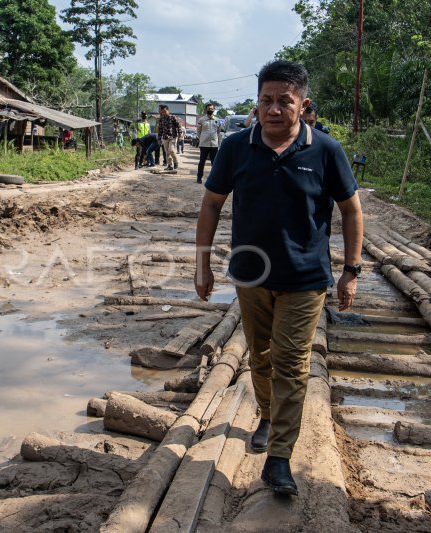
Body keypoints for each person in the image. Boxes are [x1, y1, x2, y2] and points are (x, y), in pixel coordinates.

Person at [193, 60, 363, 497]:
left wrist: (351, 271)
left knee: (291, 362)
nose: (272, 110)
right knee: (261, 357)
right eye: (265, 100)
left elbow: (351, 210)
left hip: (306, 279)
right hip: (250, 277)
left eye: (283, 101)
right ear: (257, 103)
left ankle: (280, 459)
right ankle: (267, 414)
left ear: (303, 105)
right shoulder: (235, 147)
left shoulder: (326, 150)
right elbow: (211, 205)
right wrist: (203, 264)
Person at [195, 103, 221, 184]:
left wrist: (217, 141)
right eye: (209, 109)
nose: (210, 110)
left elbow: (218, 131)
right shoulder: (201, 120)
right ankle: (199, 177)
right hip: (204, 144)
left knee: (214, 163)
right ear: (206, 110)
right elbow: (198, 132)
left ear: (214, 110)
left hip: (214, 144)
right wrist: (202, 139)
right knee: (202, 161)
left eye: (212, 109)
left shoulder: (217, 120)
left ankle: (214, 178)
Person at [157, 105, 182, 170]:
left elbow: (179, 126)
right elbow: (160, 130)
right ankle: (169, 165)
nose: (163, 113)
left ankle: (176, 162)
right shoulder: (161, 119)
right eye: (162, 112)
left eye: (165, 111)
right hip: (165, 137)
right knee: (167, 153)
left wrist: (180, 135)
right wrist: (159, 139)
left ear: (168, 111)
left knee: (171, 150)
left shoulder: (173, 117)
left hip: (172, 137)